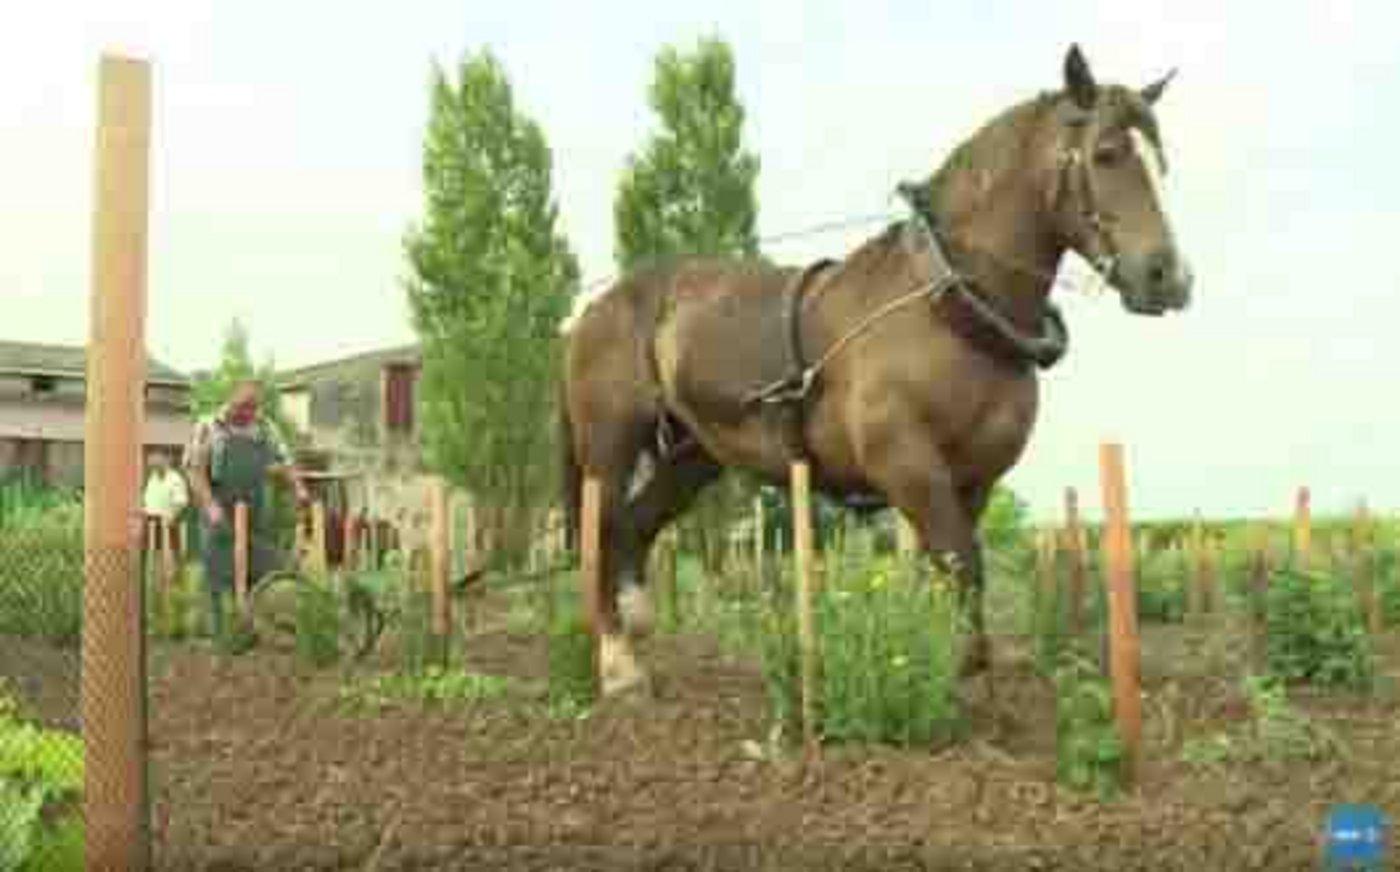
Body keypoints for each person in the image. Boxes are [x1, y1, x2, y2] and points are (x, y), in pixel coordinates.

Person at [183, 379, 309, 643]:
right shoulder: (209, 426)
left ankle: (256, 629)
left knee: (261, 570)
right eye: (242, 407)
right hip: (219, 513)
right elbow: (194, 471)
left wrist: (298, 488)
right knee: (220, 572)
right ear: (231, 400)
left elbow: (285, 462)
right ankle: (222, 633)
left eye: (252, 408)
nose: (247, 413)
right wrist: (210, 506)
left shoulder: (265, 428)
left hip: (256, 512)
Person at [142, 451, 190, 562]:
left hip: (168, 521)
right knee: (151, 556)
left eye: (156, 464)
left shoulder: (175, 478)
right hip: (151, 521)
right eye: (152, 465)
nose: (153, 467)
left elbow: (181, 502)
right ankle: (153, 577)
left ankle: (172, 576)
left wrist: (172, 517)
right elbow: (148, 500)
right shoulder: (152, 478)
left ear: (165, 462)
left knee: (170, 557)